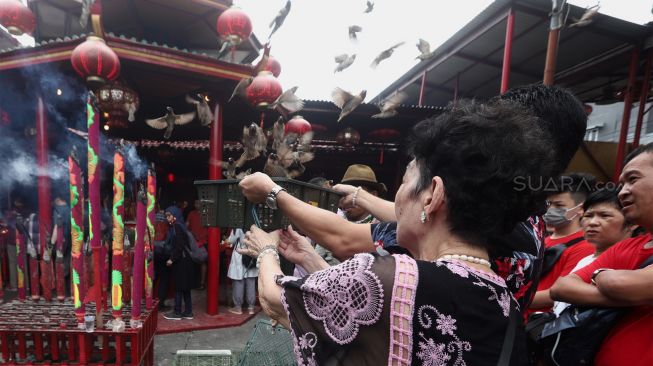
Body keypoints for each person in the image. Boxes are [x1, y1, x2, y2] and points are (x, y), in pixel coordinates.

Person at [239, 100, 553, 365]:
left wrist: (267, 249)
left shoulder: (394, 276)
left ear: (432, 196)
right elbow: (365, 309)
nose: (398, 197)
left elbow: (274, 298)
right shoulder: (506, 301)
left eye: (405, 180)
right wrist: (308, 256)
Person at [256, 85, 588, 313]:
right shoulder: (521, 228)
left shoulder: (402, 277)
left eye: (410, 178)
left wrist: (268, 238)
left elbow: (285, 299)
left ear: (433, 196)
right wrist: (358, 199)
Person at [550, 142, 653, 366]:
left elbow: (621, 283)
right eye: (621, 183)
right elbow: (561, 287)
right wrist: (625, 296)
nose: (623, 191)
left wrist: (601, 275)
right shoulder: (627, 247)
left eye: (633, 179)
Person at [551, 187, 634, 315]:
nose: (592, 222)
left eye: (605, 215)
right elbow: (558, 290)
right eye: (588, 215)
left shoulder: (634, 259)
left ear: (632, 222)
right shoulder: (587, 259)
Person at [527, 173, 596, 315]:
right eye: (548, 204)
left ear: (581, 209)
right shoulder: (540, 238)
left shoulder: (586, 246)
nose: (550, 209)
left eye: (559, 205)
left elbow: (560, 293)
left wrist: (514, 297)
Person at [162, 206, 195, 320]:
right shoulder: (180, 226)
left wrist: (172, 259)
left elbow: (179, 245)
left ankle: (177, 312)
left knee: (178, 287)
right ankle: (188, 312)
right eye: (166, 216)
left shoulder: (177, 227)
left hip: (181, 261)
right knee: (185, 287)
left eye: (169, 215)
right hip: (185, 261)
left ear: (175, 215)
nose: (167, 218)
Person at [226, 228, 258, 315]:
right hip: (251, 255)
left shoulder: (238, 227)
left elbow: (231, 241)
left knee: (238, 282)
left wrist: (227, 239)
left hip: (240, 255)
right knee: (251, 282)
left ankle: (238, 308)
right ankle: (251, 308)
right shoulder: (255, 227)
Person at [186, 199, 208, 290]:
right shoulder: (191, 214)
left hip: (204, 241)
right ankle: (193, 282)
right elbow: (186, 225)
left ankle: (202, 283)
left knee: (203, 262)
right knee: (192, 261)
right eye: (196, 202)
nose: (197, 204)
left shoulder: (207, 214)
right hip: (193, 241)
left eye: (199, 203)